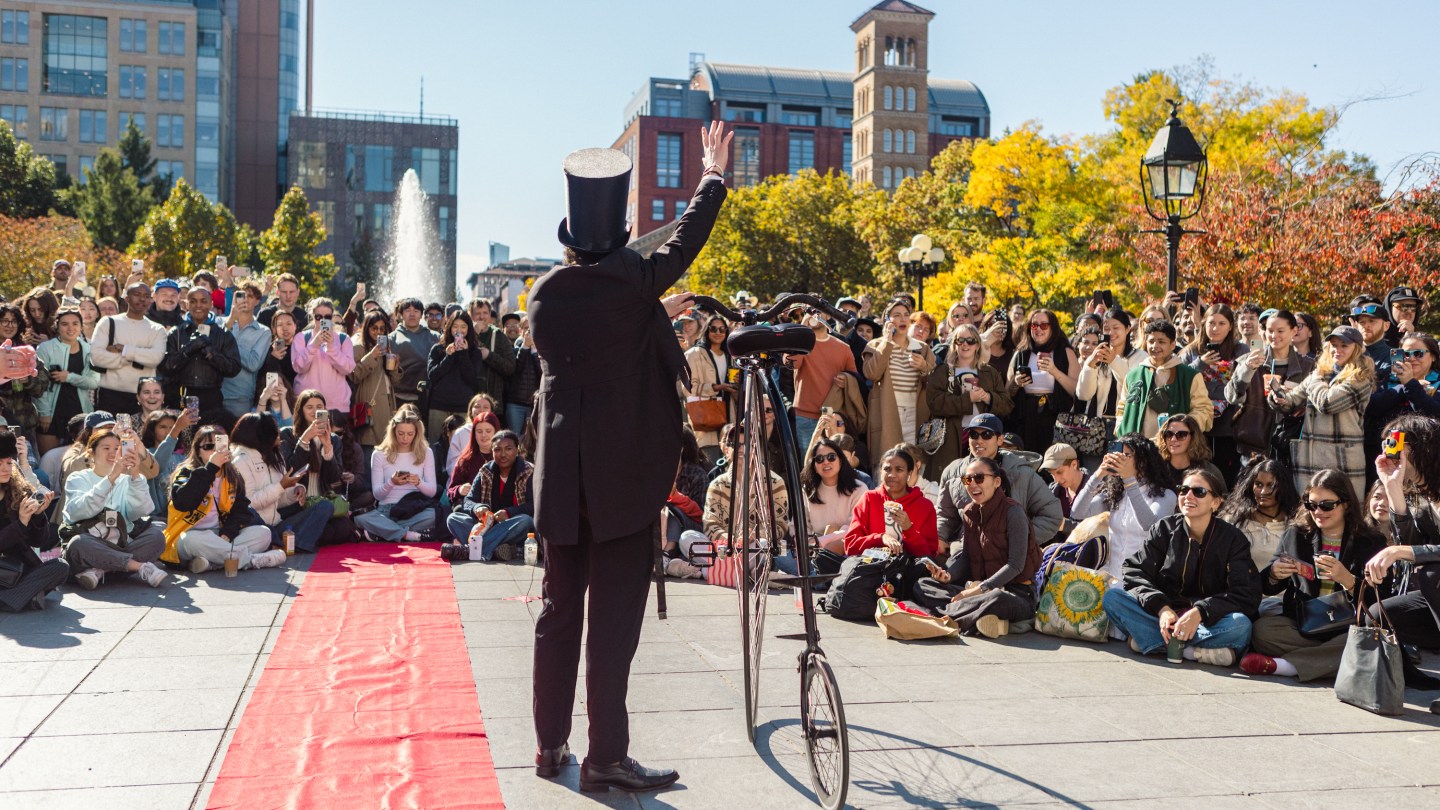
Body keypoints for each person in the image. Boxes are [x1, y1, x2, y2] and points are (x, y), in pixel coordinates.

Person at [528, 123, 731, 793]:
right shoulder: (635, 283)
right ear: (617, 235)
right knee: (611, 621)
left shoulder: (544, 297)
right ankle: (606, 755)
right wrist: (712, 174)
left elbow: (603, 325)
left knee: (559, 614)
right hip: (619, 486)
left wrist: (648, 309)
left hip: (563, 484)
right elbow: (686, 240)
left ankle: (548, 744)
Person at [1102, 468, 1260, 667]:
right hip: (1165, 614)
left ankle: (1157, 643)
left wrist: (1201, 612)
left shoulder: (1233, 539)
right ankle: (1194, 651)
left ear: (1216, 502)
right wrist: (1162, 609)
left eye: (1199, 492)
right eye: (1183, 490)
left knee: (1240, 625)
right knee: (1113, 598)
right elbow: (1135, 571)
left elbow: (1246, 593)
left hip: (1209, 620)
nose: (1188, 496)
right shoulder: (1163, 529)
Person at [1243, 469, 1389, 680]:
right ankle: (1331, 661)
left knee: (1370, 639)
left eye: (1326, 505)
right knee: (1262, 630)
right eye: (1311, 504)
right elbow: (1265, 586)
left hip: (1347, 625)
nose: (1318, 511)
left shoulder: (1371, 541)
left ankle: (1286, 666)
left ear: (1346, 504)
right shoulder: (1296, 534)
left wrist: (1347, 580)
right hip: (1304, 624)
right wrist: (1275, 574)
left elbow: (1381, 600)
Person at [912, 456, 1042, 637]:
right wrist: (949, 576)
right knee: (923, 585)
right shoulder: (968, 513)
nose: (972, 484)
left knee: (996, 599)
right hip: (976, 590)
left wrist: (978, 590)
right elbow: (966, 556)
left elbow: (1015, 565)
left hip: (1016, 594)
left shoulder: (1014, 513)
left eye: (979, 478)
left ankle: (937, 615)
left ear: (997, 482)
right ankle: (971, 619)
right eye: (967, 479)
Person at [1362, 414, 1440, 712]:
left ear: (1422, 449)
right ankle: (1402, 682)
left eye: (1397, 444)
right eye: (1387, 443)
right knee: (1379, 614)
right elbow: (1407, 540)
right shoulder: (1421, 494)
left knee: (1433, 574)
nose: (1389, 451)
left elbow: (1409, 551)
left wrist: (1400, 552)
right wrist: (1393, 487)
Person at [1267, 325, 1375, 498]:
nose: (1337, 350)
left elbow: (1327, 403)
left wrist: (1316, 378)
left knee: (1345, 512)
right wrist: (1278, 397)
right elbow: (1293, 400)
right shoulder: (1322, 373)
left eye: (1344, 346)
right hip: (1309, 457)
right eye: (1333, 345)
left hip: (1342, 459)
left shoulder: (1360, 377)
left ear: (1356, 348)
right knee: (1310, 512)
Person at [160, 424, 285, 573]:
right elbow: (183, 502)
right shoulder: (185, 472)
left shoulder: (233, 475)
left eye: (219, 445)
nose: (214, 451)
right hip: (189, 536)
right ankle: (251, 560)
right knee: (191, 539)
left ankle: (212, 563)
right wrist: (211, 468)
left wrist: (227, 533)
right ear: (198, 452)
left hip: (219, 535)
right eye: (208, 446)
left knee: (263, 533)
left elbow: (241, 510)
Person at [936, 413, 1062, 557]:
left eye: (986, 435)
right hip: (964, 553)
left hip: (1008, 557)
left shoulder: (1022, 474)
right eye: (973, 434)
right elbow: (945, 515)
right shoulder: (953, 472)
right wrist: (939, 538)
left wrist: (1017, 540)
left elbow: (1052, 515)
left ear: (1000, 439)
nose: (979, 440)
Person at [60, 428, 168, 590]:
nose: (113, 453)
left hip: (120, 544)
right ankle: (139, 567)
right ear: (91, 453)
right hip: (90, 543)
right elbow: (78, 511)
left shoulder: (128, 479)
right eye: (106, 448)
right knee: (78, 544)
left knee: (157, 537)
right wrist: (111, 477)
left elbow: (140, 511)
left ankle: (99, 570)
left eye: (117, 448)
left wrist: (135, 475)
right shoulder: (78, 478)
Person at [1068, 434, 1177, 590]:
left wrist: (1129, 480)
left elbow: (1150, 525)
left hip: (1145, 584)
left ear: (1143, 459)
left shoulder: (1166, 495)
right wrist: (1098, 475)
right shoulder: (1115, 492)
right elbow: (1077, 513)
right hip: (1112, 580)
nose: (1120, 460)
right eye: (1117, 455)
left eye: (1127, 455)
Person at [230, 412, 335, 554]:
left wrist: (295, 491)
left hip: (277, 524)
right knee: (251, 514)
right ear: (262, 437)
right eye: (275, 433)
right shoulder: (240, 461)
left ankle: (283, 544)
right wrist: (281, 486)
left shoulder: (274, 455)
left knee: (325, 506)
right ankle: (282, 543)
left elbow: (279, 501)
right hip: (256, 528)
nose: (279, 435)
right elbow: (250, 503)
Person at [1226, 310, 1315, 464]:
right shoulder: (1248, 361)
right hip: (1253, 450)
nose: (1274, 336)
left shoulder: (1308, 366)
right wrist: (1246, 370)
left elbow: (1314, 405)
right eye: (1270, 331)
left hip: (1292, 449)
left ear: (1294, 331)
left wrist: (1294, 399)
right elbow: (1232, 397)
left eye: (1280, 331)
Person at [925, 324, 1012, 476]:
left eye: (971, 340)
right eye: (961, 340)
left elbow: (1007, 405)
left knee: (979, 479)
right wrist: (967, 399)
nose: (965, 344)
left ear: (978, 345)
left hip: (982, 437)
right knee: (952, 479)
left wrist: (988, 398)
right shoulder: (942, 371)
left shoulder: (989, 372)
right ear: (954, 344)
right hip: (950, 438)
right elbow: (934, 403)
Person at [863, 298, 935, 462]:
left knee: (914, 463)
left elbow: (934, 381)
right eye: (896, 315)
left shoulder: (922, 348)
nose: (902, 319)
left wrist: (924, 366)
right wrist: (887, 342)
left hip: (914, 412)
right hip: (887, 412)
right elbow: (872, 373)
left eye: (906, 315)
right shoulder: (876, 345)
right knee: (888, 462)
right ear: (887, 320)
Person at [1116, 320, 1213, 441]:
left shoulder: (1189, 376)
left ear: (1173, 345)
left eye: (1161, 342)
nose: (1155, 346)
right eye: (1151, 341)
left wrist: (1183, 427)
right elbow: (1121, 408)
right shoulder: (1133, 375)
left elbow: (1204, 409)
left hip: (1175, 449)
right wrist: (1120, 426)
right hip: (1136, 450)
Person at [1181, 304, 1244, 484]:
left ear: (1231, 326)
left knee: (1227, 476)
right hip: (1198, 424)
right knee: (1199, 475)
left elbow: (1243, 385)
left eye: (1221, 323)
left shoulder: (1240, 350)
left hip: (1230, 425)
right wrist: (1200, 363)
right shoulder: (1191, 351)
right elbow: (1181, 380)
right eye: (1211, 323)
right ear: (1203, 324)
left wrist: (1216, 390)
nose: (1215, 328)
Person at [0, 440, 67, 611]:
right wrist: (21, 522)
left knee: (60, 567)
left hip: (18, 569)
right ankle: (25, 597)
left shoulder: (16, 491)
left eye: (8, 462)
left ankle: (12, 599)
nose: (5, 468)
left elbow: (38, 542)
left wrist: (37, 516)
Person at [447, 430, 534, 560]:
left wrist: (509, 513)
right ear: (492, 452)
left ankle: (472, 550)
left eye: (508, 449)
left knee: (525, 521)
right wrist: (478, 508)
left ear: (517, 450)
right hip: (486, 525)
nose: (503, 454)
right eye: (497, 449)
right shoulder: (485, 471)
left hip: (511, 526)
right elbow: (468, 500)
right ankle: (498, 549)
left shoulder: (528, 471)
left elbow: (534, 505)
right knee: (453, 519)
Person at [355, 405, 438, 542]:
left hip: (414, 508)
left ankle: (384, 531)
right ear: (393, 432)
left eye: (410, 434)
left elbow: (432, 492)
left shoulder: (426, 452)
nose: (405, 438)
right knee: (359, 518)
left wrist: (418, 483)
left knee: (435, 515)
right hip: (386, 509)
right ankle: (405, 534)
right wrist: (391, 483)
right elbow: (377, 494)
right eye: (401, 433)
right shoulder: (379, 454)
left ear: (417, 433)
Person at [159, 287, 242, 423]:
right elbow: (166, 367)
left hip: (211, 397)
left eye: (203, 301)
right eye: (193, 301)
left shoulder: (223, 333)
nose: (198, 305)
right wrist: (188, 349)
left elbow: (234, 368)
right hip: (181, 396)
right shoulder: (177, 333)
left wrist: (211, 353)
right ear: (186, 304)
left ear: (211, 304)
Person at [843, 445, 940, 558]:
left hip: (908, 573)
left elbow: (929, 555)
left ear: (909, 474)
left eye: (899, 470)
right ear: (880, 472)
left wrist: (909, 529)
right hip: (871, 571)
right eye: (887, 469)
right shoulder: (869, 499)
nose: (892, 475)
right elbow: (850, 546)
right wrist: (880, 538)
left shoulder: (925, 506)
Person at [1007, 309, 1079, 456]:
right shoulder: (1021, 353)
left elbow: (1076, 391)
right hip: (1025, 415)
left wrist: (1054, 371)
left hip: (1055, 415)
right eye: (1034, 325)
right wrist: (1016, 382)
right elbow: (1006, 392)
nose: (1038, 329)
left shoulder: (1065, 352)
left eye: (1044, 325)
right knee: (1027, 457)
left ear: (1053, 328)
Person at [88, 282, 168, 416]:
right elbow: (96, 357)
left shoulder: (157, 329)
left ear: (150, 300)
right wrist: (136, 357)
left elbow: (155, 358)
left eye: (146, 296)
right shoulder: (108, 322)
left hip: (143, 398)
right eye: (137, 294)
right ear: (127, 298)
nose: (142, 299)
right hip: (109, 395)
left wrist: (124, 349)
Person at [788, 309, 857, 451]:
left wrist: (846, 380)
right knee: (808, 464)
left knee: (835, 461)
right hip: (805, 416)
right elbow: (792, 363)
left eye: (818, 311)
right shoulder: (800, 343)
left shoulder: (843, 348)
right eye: (809, 311)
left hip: (834, 416)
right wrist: (802, 329)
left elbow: (855, 380)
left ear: (828, 315)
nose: (814, 315)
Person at [1219, 459, 1301, 574]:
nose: (1263, 491)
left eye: (1271, 485)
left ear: (1283, 487)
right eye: (1258, 484)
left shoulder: (1295, 523)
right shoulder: (1235, 520)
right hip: (1244, 590)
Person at [35, 309, 99, 455]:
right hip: (51, 412)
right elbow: (39, 384)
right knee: (48, 459)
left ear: (81, 326)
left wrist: (69, 377)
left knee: (79, 459)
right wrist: (44, 413)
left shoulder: (89, 349)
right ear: (57, 327)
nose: (70, 328)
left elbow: (94, 382)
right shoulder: (45, 348)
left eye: (75, 323)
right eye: (65, 324)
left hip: (79, 411)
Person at [800, 436, 867, 555]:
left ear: (841, 461)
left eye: (831, 457)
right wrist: (811, 543)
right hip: (810, 550)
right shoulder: (807, 490)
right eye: (819, 459)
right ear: (814, 465)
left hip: (847, 549)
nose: (825, 462)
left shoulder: (859, 489)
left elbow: (855, 528)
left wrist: (823, 541)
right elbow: (798, 526)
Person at [425, 311, 485, 440]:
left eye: (463, 326)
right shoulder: (437, 349)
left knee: (461, 447)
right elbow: (432, 376)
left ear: (469, 329)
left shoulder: (475, 352)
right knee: (436, 445)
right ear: (449, 327)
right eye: (455, 326)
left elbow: (472, 379)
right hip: (438, 405)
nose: (459, 330)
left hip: (463, 406)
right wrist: (448, 356)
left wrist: (464, 354)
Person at [290, 298, 356, 416]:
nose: (323, 321)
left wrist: (331, 346)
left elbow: (347, 369)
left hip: (336, 405)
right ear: (312, 316)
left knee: (334, 435)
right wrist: (314, 344)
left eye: (327, 317)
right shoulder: (301, 337)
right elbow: (299, 367)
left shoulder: (343, 339)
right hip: (308, 404)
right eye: (319, 317)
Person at [348, 310, 401, 449]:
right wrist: (372, 356)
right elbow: (353, 375)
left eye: (382, 328)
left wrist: (394, 366)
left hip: (388, 405)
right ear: (367, 329)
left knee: (387, 446)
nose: (378, 332)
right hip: (369, 407)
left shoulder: (387, 349)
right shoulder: (358, 348)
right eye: (374, 328)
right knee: (368, 446)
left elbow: (395, 381)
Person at [219, 282, 271, 420]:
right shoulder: (220, 322)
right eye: (241, 295)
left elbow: (253, 364)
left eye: (250, 296)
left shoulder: (263, 331)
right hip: (215, 392)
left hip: (240, 398)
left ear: (257, 301)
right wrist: (231, 320)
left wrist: (228, 341)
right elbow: (212, 347)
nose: (246, 299)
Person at [389, 298, 438, 411]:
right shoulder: (391, 339)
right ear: (401, 314)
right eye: (407, 310)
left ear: (421, 315)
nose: (412, 314)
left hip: (428, 396)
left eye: (416, 311)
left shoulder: (435, 337)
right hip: (400, 396)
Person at [447, 411, 502, 508]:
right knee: (453, 518)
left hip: (500, 510)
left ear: (496, 432)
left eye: (488, 431)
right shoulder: (465, 459)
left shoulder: (505, 458)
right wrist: (459, 490)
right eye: (479, 431)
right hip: (472, 510)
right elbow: (451, 490)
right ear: (474, 434)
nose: (483, 435)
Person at [469, 298, 517, 408]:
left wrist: (489, 356)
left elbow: (510, 367)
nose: (481, 317)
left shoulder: (499, 335)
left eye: (485, 313)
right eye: (478, 313)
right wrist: (474, 334)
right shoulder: (465, 334)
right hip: (469, 399)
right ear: (471, 315)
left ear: (490, 314)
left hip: (492, 401)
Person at [1154, 413, 1224, 485]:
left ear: (1193, 438)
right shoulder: (1155, 469)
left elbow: (1220, 496)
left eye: (1181, 434)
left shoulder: (1209, 471)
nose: (1173, 439)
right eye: (1169, 434)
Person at [1040, 443, 1088, 544]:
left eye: (1059, 472)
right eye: (1052, 474)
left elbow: (1097, 527)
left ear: (1074, 465)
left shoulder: (1097, 489)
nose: (1056, 479)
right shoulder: (1053, 490)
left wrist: (1064, 525)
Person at [505, 322, 543, 436]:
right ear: (521, 330)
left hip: (533, 404)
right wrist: (525, 347)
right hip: (515, 403)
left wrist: (534, 351)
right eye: (526, 328)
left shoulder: (542, 352)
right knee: (514, 437)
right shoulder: (515, 350)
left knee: (533, 438)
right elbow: (516, 370)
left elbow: (542, 373)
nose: (529, 332)